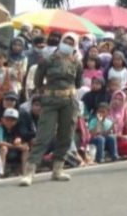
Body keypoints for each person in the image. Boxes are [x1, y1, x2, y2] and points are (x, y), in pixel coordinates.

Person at [19, 33, 83, 187]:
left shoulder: (77, 63)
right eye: (65, 41)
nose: (68, 44)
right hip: (50, 100)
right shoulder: (47, 60)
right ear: (60, 42)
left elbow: (78, 83)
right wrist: (47, 92)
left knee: (66, 135)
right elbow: (38, 81)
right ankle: (29, 172)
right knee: (44, 135)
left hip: (69, 100)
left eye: (71, 42)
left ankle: (58, 169)